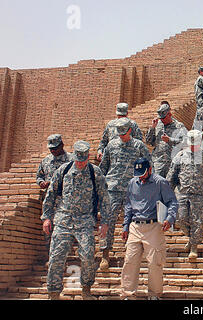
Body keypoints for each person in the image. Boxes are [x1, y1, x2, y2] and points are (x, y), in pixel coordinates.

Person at [41, 140, 111, 300]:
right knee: (56, 257)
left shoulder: (95, 172)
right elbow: (51, 194)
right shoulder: (63, 170)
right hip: (63, 221)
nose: (80, 164)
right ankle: (53, 294)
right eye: (78, 161)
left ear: (87, 158)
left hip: (85, 221)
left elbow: (104, 198)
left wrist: (105, 222)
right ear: (74, 158)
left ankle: (86, 290)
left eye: (83, 161)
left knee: (87, 256)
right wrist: (46, 217)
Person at [120, 158, 178, 300]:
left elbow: (172, 202)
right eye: (138, 173)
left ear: (150, 170)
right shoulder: (132, 183)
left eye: (143, 173)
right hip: (135, 226)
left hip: (153, 226)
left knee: (154, 262)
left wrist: (170, 219)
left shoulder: (160, 182)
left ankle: (154, 294)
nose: (140, 176)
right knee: (130, 261)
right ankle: (128, 294)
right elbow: (128, 206)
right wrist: (125, 226)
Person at [99, 117, 151, 270]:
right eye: (119, 133)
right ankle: (105, 254)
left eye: (124, 133)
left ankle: (134, 252)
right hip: (113, 188)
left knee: (136, 221)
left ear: (130, 130)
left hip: (133, 189)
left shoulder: (139, 146)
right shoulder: (111, 145)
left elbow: (149, 165)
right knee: (108, 221)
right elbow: (103, 168)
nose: (122, 135)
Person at [166, 130, 203, 259]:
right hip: (182, 192)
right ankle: (191, 239)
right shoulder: (180, 156)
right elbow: (171, 175)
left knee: (197, 221)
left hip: (199, 194)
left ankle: (194, 247)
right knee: (180, 219)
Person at [36, 134, 74, 265]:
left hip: (66, 201)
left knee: (65, 230)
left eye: (55, 148)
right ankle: (51, 258)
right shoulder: (46, 161)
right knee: (49, 229)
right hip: (50, 202)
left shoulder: (72, 159)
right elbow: (39, 176)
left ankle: (64, 258)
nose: (53, 151)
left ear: (62, 145)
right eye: (51, 149)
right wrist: (41, 183)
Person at [145, 103, 187, 178]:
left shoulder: (178, 126)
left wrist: (170, 140)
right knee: (156, 185)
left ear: (169, 114)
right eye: (161, 118)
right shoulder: (157, 125)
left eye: (164, 118)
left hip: (173, 163)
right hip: (158, 162)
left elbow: (186, 142)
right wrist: (152, 128)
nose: (162, 120)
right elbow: (148, 142)